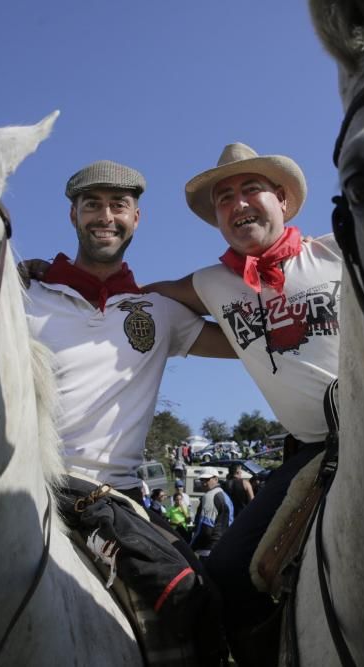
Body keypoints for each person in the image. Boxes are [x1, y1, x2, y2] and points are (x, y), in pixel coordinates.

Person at [144, 143, 342, 665]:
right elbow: (139, 297)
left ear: (281, 199)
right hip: (313, 453)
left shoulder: (338, 251)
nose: (237, 203)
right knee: (227, 574)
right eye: (224, 197)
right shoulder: (213, 283)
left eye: (250, 188)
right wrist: (55, 282)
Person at [22, 160, 235, 505]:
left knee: (186, 562)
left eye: (118, 205)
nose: (105, 216)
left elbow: (250, 344)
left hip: (117, 497)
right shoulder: (24, 295)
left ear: (135, 218)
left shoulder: (159, 310)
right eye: (92, 204)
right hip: (27, 489)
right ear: (73, 216)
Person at [190, 468, 234, 557]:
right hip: (223, 546)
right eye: (202, 480)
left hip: (208, 550)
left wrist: (191, 547)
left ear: (216, 479)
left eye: (207, 479)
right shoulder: (224, 495)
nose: (204, 483)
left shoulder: (210, 496)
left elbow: (205, 529)